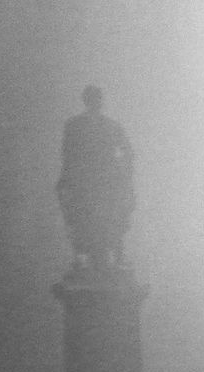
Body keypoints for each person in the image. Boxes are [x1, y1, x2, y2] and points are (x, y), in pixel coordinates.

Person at [56, 85, 134, 271]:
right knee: (84, 216)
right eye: (93, 99)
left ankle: (113, 254)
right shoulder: (84, 126)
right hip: (90, 180)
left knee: (109, 216)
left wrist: (123, 175)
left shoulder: (79, 125)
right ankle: (87, 254)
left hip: (99, 180)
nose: (95, 102)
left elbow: (127, 151)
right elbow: (68, 154)